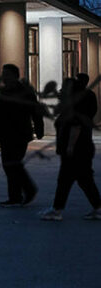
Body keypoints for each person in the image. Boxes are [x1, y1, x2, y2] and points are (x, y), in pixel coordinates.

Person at [40, 73, 101, 221]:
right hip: (83, 149)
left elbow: (75, 127)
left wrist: (70, 147)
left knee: (66, 180)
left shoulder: (74, 109)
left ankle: (57, 210)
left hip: (76, 151)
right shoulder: (80, 104)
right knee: (83, 180)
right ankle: (97, 208)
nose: (60, 92)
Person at [0, 63, 42, 208]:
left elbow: (35, 111)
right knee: (10, 165)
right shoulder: (6, 92)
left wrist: (39, 128)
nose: (4, 77)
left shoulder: (25, 92)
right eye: (3, 74)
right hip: (6, 134)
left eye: (7, 74)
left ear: (15, 76)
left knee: (13, 164)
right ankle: (18, 195)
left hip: (19, 134)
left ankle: (22, 193)